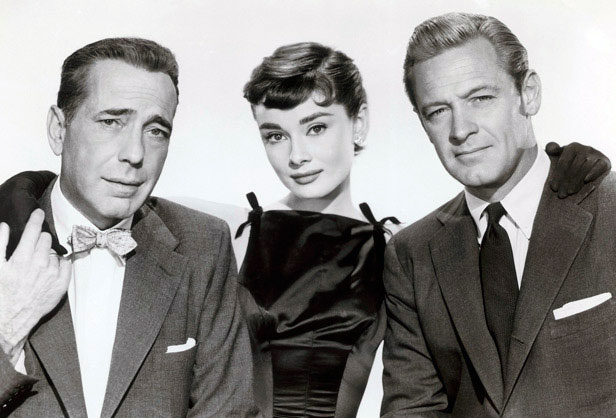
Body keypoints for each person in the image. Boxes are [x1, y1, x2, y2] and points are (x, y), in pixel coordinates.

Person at [0, 40, 608, 418]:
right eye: (275, 134)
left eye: (317, 128)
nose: (297, 156)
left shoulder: (403, 249)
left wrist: (566, 169)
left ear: (358, 124)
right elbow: (81, 195)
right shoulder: (228, 231)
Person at [0, 38, 258, 417]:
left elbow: (229, 410)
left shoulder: (204, 244)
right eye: (111, 122)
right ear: (58, 129)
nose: (135, 154)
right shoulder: (7, 237)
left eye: (156, 131)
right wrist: (7, 328)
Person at [381, 12, 616, 418]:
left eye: (480, 98)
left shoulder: (608, 208)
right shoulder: (411, 255)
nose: (460, 129)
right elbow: (412, 408)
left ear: (528, 95)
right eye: (437, 111)